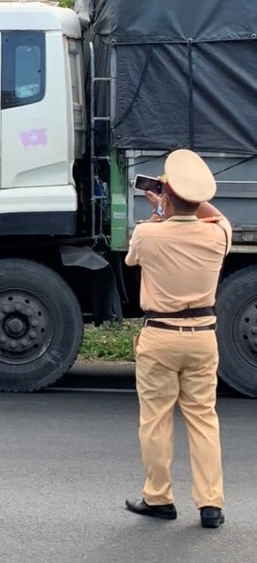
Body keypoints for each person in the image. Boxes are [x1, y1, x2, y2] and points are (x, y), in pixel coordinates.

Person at [124, 149, 231, 528]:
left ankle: (159, 498)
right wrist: (182, 195)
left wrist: (159, 209)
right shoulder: (218, 234)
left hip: (160, 337)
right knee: (204, 419)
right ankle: (210, 505)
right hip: (203, 336)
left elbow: (132, 261)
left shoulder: (147, 233)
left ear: (166, 195)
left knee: (155, 419)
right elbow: (214, 214)